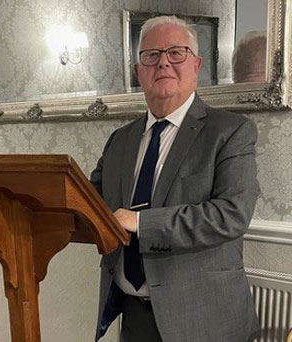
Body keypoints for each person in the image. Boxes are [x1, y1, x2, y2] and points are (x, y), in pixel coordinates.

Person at [90, 16, 261, 342]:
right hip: (133, 314)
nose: (163, 62)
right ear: (138, 72)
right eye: (151, 55)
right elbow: (88, 200)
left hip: (204, 320)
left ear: (196, 66)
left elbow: (231, 215)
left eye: (176, 53)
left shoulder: (231, 132)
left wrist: (140, 222)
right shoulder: (119, 140)